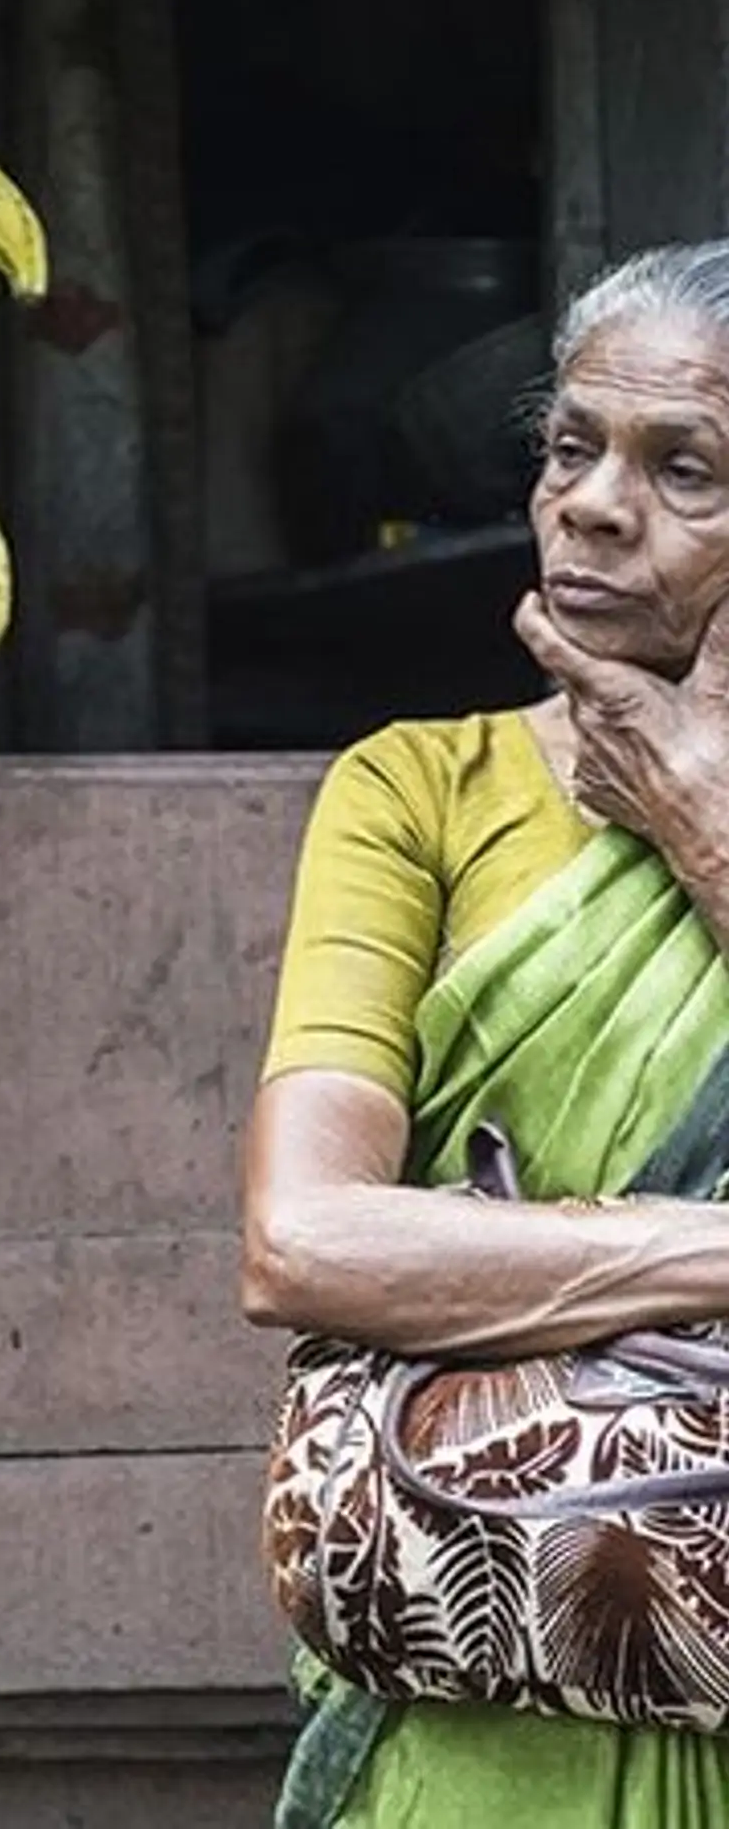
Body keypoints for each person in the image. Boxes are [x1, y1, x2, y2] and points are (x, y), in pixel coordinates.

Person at [242, 240, 729, 1827]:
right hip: (480, 1731)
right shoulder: (418, 791)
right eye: (572, 446)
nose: (593, 503)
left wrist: (704, 824)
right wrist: (704, 1253)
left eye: (686, 470)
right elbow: (303, 1240)